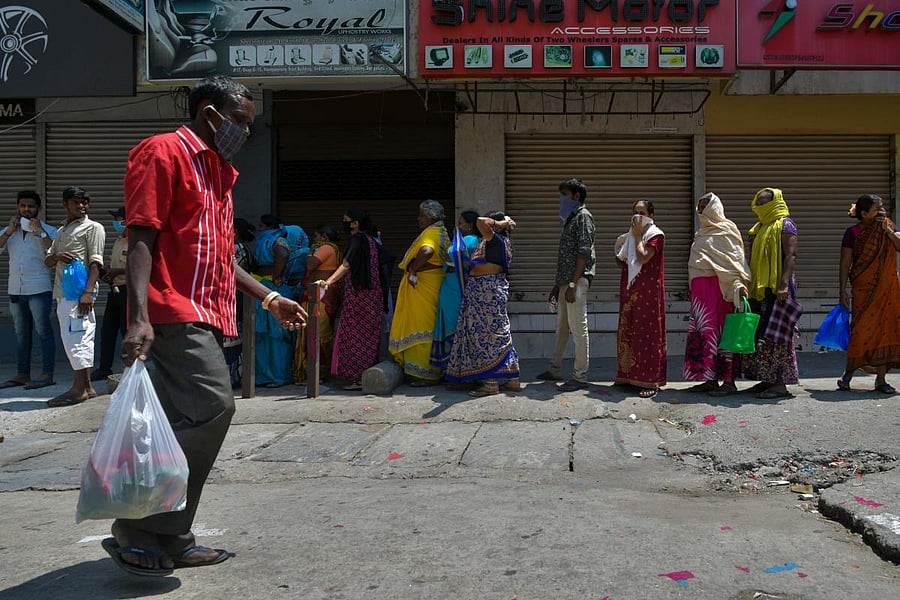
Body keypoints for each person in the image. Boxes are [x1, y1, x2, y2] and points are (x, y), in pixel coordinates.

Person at [110, 75, 305, 577]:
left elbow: (221, 258)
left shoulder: (219, 172)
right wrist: (139, 317)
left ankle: (171, 535)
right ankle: (137, 525)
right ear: (209, 115)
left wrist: (270, 297)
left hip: (207, 312)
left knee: (181, 422)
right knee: (215, 406)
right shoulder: (163, 152)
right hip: (172, 312)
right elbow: (140, 237)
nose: (247, 131)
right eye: (240, 120)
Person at [445, 211, 521, 396]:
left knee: (486, 336)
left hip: (485, 293)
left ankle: (491, 383)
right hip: (489, 291)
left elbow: (480, 221)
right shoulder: (499, 242)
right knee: (499, 334)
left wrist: (501, 223)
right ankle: (512, 379)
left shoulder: (494, 239)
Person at [683, 193, 751, 396]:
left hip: (721, 292)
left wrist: (738, 284)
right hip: (701, 297)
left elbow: (734, 262)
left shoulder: (727, 230)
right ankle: (709, 379)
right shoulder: (701, 233)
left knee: (724, 335)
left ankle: (729, 382)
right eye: (699, 207)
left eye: (705, 206)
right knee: (704, 335)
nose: (701, 211)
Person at [44, 187, 106, 406]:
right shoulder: (62, 230)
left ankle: (78, 390)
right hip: (64, 293)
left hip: (79, 294)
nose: (81, 206)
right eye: (76, 202)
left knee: (78, 339)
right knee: (74, 338)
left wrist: (88, 292)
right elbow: (48, 260)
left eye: (84, 202)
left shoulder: (93, 228)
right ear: (65, 204)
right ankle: (87, 386)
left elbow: (96, 263)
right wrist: (58, 256)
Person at [837, 194, 900, 394]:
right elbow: (845, 263)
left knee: (886, 331)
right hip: (863, 289)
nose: (882, 211)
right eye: (877, 209)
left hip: (888, 289)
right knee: (860, 331)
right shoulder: (853, 233)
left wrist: (888, 231)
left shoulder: (888, 226)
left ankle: (881, 380)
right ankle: (848, 375)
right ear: (864, 214)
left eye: (882, 207)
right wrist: (842, 290)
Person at [537, 178, 596, 392]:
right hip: (566, 282)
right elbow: (566, 257)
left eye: (565, 195)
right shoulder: (571, 219)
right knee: (562, 327)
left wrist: (572, 284)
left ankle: (580, 376)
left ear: (576, 196)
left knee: (578, 328)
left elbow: (583, 252)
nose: (561, 199)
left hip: (576, 281)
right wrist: (558, 286)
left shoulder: (583, 217)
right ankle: (555, 369)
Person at [315, 208, 384, 391]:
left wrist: (328, 282)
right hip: (373, 296)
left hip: (358, 296)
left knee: (354, 335)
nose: (344, 223)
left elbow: (346, 264)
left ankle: (358, 377)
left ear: (355, 223)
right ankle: (365, 376)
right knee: (368, 336)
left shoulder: (357, 240)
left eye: (346, 220)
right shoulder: (371, 240)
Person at [742, 188, 799, 399]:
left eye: (764, 203)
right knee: (762, 334)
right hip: (760, 289)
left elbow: (791, 255)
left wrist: (783, 285)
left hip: (777, 288)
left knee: (778, 334)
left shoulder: (786, 225)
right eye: (758, 203)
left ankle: (780, 384)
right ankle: (766, 379)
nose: (759, 207)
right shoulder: (759, 227)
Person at [389, 199, 450, 386]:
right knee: (430, 326)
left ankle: (426, 375)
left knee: (422, 326)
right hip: (434, 284)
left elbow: (426, 251)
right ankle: (431, 371)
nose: (418, 219)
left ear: (430, 217)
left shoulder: (431, 234)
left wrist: (414, 270)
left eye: (421, 215)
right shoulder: (441, 232)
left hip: (423, 286)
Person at [0, 191, 57, 390]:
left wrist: (40, 231)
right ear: (17, 207)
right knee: (21, 334)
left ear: (38, 208)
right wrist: (9, 231)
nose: (26, 209)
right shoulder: (10, 230)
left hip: (39, 288)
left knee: (44, 332)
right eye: (22, 206)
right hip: (15, 289)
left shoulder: (48, 230)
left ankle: (47, 374)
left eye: (30, 206)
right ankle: (22, 374)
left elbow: (55, 253)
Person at [614, 200, 667, 398]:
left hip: (648, 293)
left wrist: (636, 237)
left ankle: (650, 380)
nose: (637, 216)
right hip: (630, 291)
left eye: (642, 213)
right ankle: (628, 376)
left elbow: (644, 257)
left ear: (650, 215)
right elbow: (623, 262)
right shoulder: (630, 235)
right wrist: (620, 245)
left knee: (647, 333)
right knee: (628, 331)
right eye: (635, 212)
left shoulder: (655, 235)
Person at [252, 214, 302, 387]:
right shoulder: (269, 240)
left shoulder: (277, 240)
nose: (258, 229)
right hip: (264, 284)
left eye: (261, 226)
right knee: (264, 336)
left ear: (268, 227)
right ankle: (264, 376)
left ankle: (279, 376)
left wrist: (275, 276)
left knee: (277, 333)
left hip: (273, 288)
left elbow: (283, 254)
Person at [430, 210, 480, 372]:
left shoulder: (471, 240)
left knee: (455, 324)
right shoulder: (465, 240)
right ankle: (450, 367)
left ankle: (458, 367)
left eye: (460, 223)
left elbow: (453, 255)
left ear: (470, 226)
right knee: (449, 323)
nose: (458, 226)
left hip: (457, 286)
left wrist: (451, 244)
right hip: (450, 284)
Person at [294, 223, 342, 382]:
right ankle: (315, 371)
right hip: (317, 294)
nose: (314, 240)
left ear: (324, 236)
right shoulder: (332, 248)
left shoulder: (327, 247)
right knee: (314, 331)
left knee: (318, 333)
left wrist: (311, 251)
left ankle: (318, 372)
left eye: (316, 236)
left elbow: (310, 264)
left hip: (322, 296)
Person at [91, 207, 129, 382]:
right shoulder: (119, 240)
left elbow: (140, 268)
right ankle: (104, 368)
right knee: (107, 332)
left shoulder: (136, 241)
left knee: (126, 332)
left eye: (119, 219)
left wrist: (117, 271)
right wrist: (107, 272)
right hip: (114, 290)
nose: (116, 223)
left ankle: (130, 369)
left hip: (128, 291)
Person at [223, 217, 255, 388]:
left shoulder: (236, 248)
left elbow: (229, 272)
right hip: (240, 296)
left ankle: (233, 376)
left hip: (234, 296)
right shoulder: (245, 247)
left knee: (232, 339)